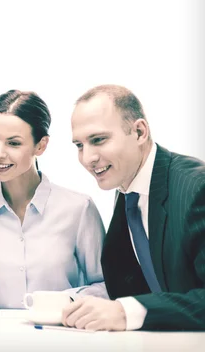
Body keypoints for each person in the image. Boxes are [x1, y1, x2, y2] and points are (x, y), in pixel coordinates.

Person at [63, 84, 205, 331]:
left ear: (139, 132)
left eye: (98, 140)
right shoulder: (127, 186)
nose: (87, 158)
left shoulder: (196, 189)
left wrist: (125, 312)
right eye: (79, 145)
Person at [0, 91, 107, 309]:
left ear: (41, 146)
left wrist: (65, 301)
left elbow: (106, 285)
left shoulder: (79, 209)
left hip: (62, 338)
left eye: (13, 143)